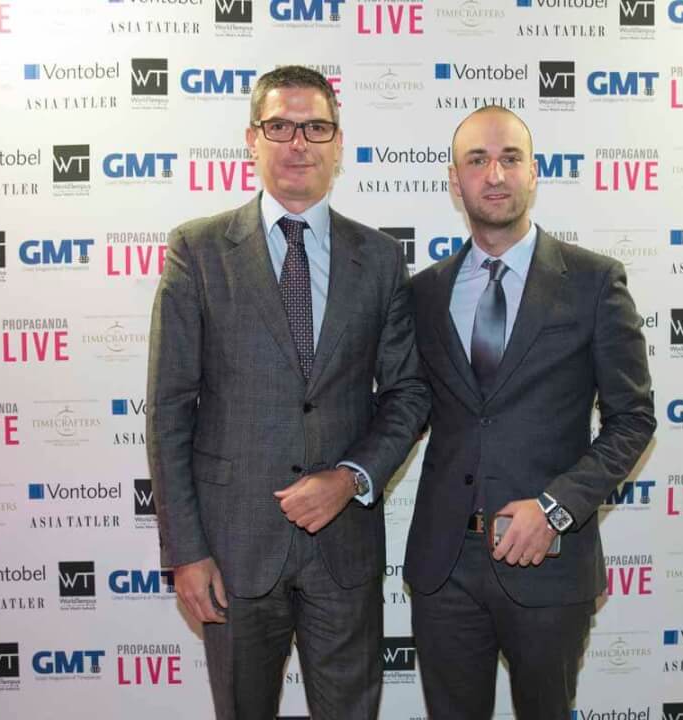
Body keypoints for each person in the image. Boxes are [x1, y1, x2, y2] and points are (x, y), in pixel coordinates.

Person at [146, 65, 431, 720]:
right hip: (233, 550)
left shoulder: (380, 258)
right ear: (252, 139)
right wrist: (186, 552)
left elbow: (408, 392)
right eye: (280, 126)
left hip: (344, 549)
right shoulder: (198, 251)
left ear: (338, 143)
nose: (298, 143)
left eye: (315, 128)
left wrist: (351, 478)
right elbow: (168, 411)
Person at [403, 106, 656, 719]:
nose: (495, 175)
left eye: (510, 158)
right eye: (477, 160)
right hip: (444, 567)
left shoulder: (594, 281)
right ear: (455, 180)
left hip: (549, 559)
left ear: (534, 172)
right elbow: (405, 405)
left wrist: (555, 508)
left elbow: (632, 419)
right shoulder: (424, 293)